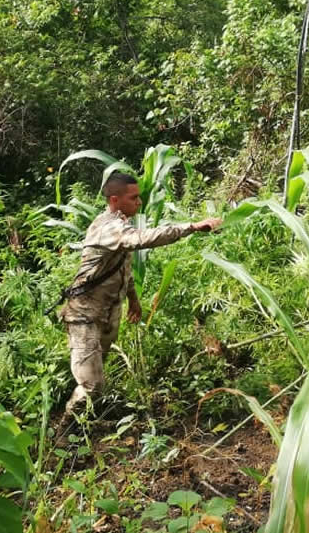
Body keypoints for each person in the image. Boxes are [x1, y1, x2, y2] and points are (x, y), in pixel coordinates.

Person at [58, 171, 222, 417]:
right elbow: (143, 239)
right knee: (91, 385)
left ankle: (90, 420)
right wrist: (191, 227)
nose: (139, 202)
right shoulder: (108, 227)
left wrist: (133, 299)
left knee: (96, 374)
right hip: (84, 316)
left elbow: (123, 269)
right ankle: (67, 428)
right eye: (134, 197)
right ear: (115, 200)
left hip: (106, 312)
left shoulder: (120, 225)